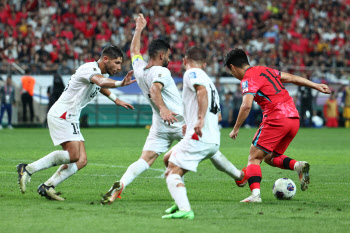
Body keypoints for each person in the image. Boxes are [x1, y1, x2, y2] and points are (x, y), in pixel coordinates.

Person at [101, 14, 244, 206]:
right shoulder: (162, 71)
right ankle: (238, 176)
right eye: (168, 55)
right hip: (179, 120)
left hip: (159, 126)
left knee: (146, 159)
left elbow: (134, 50)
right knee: (210, 150)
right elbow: (155, 88)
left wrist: (139, 29)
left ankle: (123, 183)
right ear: (161, 55)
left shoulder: (139, 68)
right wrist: (164, 109)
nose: (169, 58)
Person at [17, 45, 135, 201]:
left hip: (70, 116)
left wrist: (116, 99)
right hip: (62, 114)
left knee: (81, 160)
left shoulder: (97, 73)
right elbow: (100, 81)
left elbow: (100, 86)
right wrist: (120, 84)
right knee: (73, 155)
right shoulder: (89, 68)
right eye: (117, 63)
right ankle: (27, 169)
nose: (119, 67)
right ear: (105, 59)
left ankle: (48, 186)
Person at [224, 48, 330, 202]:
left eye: (231, 71)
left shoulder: (248, 79)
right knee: (270, 157)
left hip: (277, 118)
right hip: (293, 118)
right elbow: (292, 78)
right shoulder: (264, 70)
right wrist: (316, 85)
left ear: (233, 67)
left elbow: (246, 106)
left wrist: (235, 128)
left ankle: (255, 195)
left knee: (254, 158)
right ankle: (297, 166)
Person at [162, 46, 224, 219]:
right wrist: (191, 123)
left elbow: (201, 91)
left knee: (171, 172)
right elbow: (218, 115)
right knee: (168, 159)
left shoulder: (191, 74)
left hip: (199, 136)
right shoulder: (210, 82)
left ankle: (184, 209)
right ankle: (178, 198)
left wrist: (199, 119)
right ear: (204, 64)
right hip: (211, 137)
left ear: (184, 60)